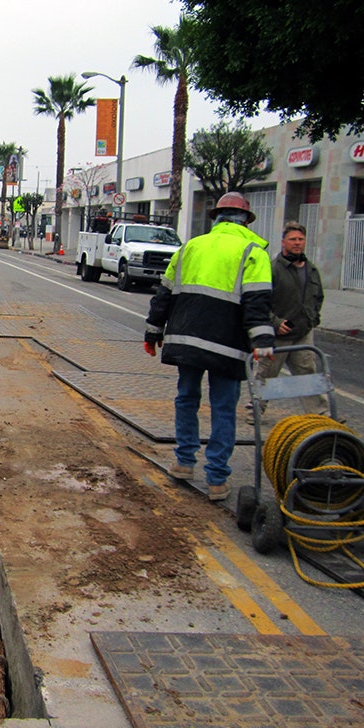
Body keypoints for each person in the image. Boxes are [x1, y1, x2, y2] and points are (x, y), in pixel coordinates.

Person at [144, 192, 274, 502]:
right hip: (227, 345)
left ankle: (184, 462)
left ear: (216, 217)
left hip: (187, 340)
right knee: (224, 408)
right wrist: (262, 341)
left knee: (187, 398)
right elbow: (257, 303)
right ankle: (216, 479)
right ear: (245, 220)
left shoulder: (191, 247)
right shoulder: (253, 251)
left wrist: (152, 332)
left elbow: (164, 292)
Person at [248, 222, 327, 422]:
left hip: (303, 331)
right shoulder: (272, 269)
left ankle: (320, 413)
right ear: (283, 242)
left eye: (300, 239)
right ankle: (255, 410)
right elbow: (261, 301)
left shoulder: (311, 269)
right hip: (278, 334)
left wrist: (312, 319)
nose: (297, 243)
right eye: (293, 239)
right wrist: (275, 323)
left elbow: (318, 297)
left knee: (307, 371)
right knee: (267, 373)